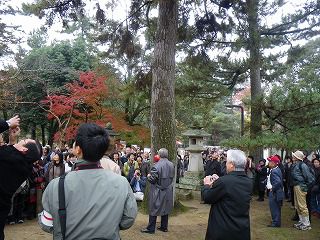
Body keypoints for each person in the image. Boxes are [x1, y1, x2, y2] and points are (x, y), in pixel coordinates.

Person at [39, 123, 137, 240]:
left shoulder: (56, 185)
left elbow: (47, 223)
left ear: (78, 150)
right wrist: (109, 225)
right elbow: (128, 219)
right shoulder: (122, 183)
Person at [0, 127, 42, 240]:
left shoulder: (10, 158)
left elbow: (7, 153)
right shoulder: (24, 164)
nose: (21, 139)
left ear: (24, 150)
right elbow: (11, 154)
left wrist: (7, 124)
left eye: (23, 141)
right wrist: (12, 141)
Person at [202, 149, 252, 240]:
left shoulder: (224, 182)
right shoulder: (248, 181)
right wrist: (218, 181)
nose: (225, 164)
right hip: (241, 228)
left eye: (227, 162)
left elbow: (207, 197)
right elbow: (231, 191)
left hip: (223, 229)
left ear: (232, 164)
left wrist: (206, 185)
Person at [141, 148, 174, 234]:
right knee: (165, 208)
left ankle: (150, 228)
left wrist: (148, 176)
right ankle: (164, 226)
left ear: (159, 155)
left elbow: (153, 180)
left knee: (153, 208)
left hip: (158, 190)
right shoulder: (171, 165)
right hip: (168, 189)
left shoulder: (156, 166)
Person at [291, 150, 314, 231]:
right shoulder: (296, 164)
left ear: (297, 157)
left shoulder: (302, 165)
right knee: (297, 205)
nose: (292, 157)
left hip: (300, 186)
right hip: (296, 186)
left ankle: (307, 224)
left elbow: (310, 178)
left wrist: (305, 187)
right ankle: (302, 221)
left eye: (294, 156)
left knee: (302, 206)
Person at [266, 155, 284, 227]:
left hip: (275, 192)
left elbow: (278, 182)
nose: (268, 163)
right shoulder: (277, 169)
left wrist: (272, 188)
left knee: (274, 207)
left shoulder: (274, 171)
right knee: (276, 207)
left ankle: (275, 223)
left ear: (273, 163)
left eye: (270, 161)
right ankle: (276, 221)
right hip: (277, 192)